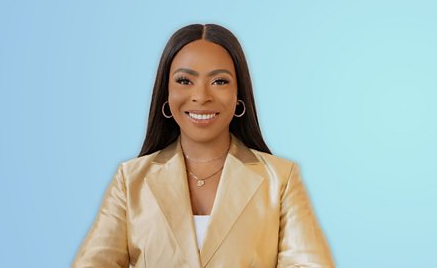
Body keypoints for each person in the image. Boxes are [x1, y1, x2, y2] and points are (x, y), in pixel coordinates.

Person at [72, 23, 334, 268]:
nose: (201, 96)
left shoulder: (280, 179)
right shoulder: (130, 181)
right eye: (185, 81)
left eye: (219, 81)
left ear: (238, 93)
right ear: (167, 92)